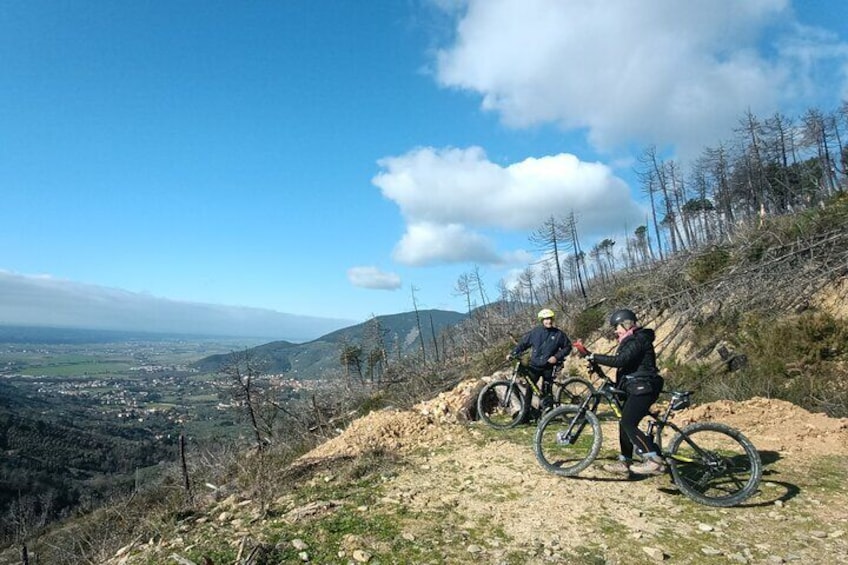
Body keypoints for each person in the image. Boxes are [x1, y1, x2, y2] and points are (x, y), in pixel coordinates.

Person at [576, 308, 665, 476]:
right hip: (636, 387)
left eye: (617, 327)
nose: (615, 331)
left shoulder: (637, 339)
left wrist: (594, 356)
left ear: (626, 325)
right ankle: (625, 461)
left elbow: (620, 361)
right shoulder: (631, 340)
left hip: (644, 387)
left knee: (628, 422)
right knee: (623, 422)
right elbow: (625, 365)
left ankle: (653, 460)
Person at [507, 308, 572, 412]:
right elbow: (523, 344)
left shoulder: (558, 334)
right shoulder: (535, 332)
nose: (549, 321)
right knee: (530, 389)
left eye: (550, 319)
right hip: (535, 366)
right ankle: (526, 414)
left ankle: (549, 413)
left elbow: (568, 347)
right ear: (542, 320)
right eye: (546, 319)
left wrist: (556, 357)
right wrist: (513, 353)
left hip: (549, 366)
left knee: (547, 390)